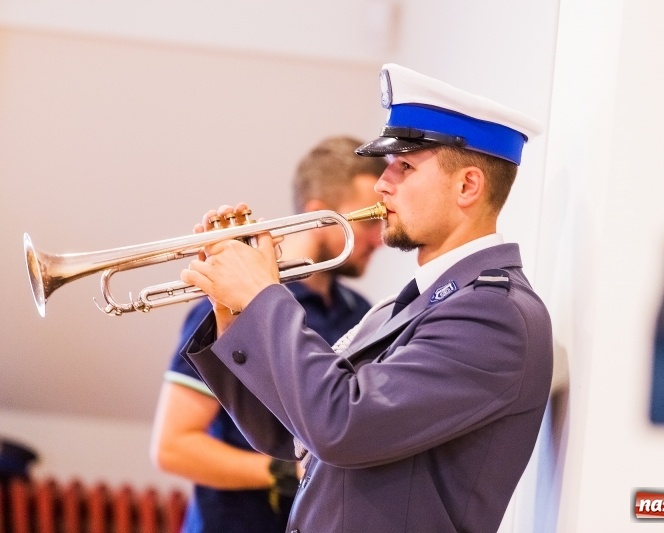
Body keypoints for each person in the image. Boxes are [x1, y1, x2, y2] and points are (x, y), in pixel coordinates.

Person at [178, 63, 554, 532]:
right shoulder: (409, 305)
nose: (381, 184)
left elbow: (341, 425)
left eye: (404, 166)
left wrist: (262, 295)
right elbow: (291, 430)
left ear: (467, 186)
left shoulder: (494, 315)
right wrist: (233, 310)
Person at [150, 136, 387, 532]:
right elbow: (172, 447)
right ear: (319, 215)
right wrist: (286, 470)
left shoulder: (363, 314)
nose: (379, 237)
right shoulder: (227, 303)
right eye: (368, 220)